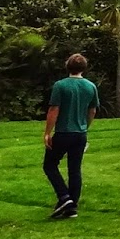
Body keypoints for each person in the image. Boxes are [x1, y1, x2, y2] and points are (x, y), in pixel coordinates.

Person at [44, 52, 99, 219]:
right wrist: (85, 127)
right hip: (80, 134)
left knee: (49, 165)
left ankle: (64, 197)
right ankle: (71, 207)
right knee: (74, 169)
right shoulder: (91, 86)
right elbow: (92, 110)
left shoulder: (60, 86)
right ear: (84, 68)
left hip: (63, 132)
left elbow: (54, 109)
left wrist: (47, 132)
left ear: (67, 66)